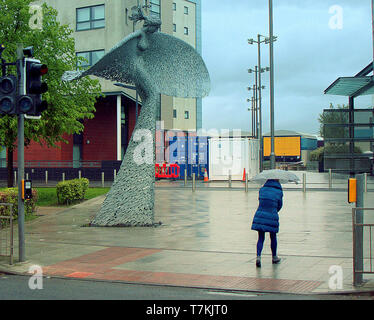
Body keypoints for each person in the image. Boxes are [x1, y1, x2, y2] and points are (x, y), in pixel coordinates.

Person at [251, 179, 283, 267]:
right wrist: (274, 210)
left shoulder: (262, 190)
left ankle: (258, 256)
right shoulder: (278, 191)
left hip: (260, 215)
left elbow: (260, 201)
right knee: (273, 237)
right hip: (272, 215)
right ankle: (274, 257)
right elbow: (279, 205)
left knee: (260, 237)